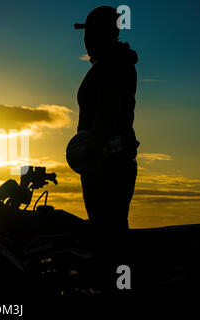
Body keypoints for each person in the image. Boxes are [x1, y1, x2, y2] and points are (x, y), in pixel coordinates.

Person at [73, 6, 140, 244]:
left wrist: (90, 153)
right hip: (107, 163)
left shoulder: (111, 65)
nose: (85, 41)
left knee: (108, 235)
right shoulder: (110, 64)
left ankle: (118, 279)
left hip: (106, 166)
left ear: (103, 34)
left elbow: (109, 112)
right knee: (111, 230)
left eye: (89, 35)